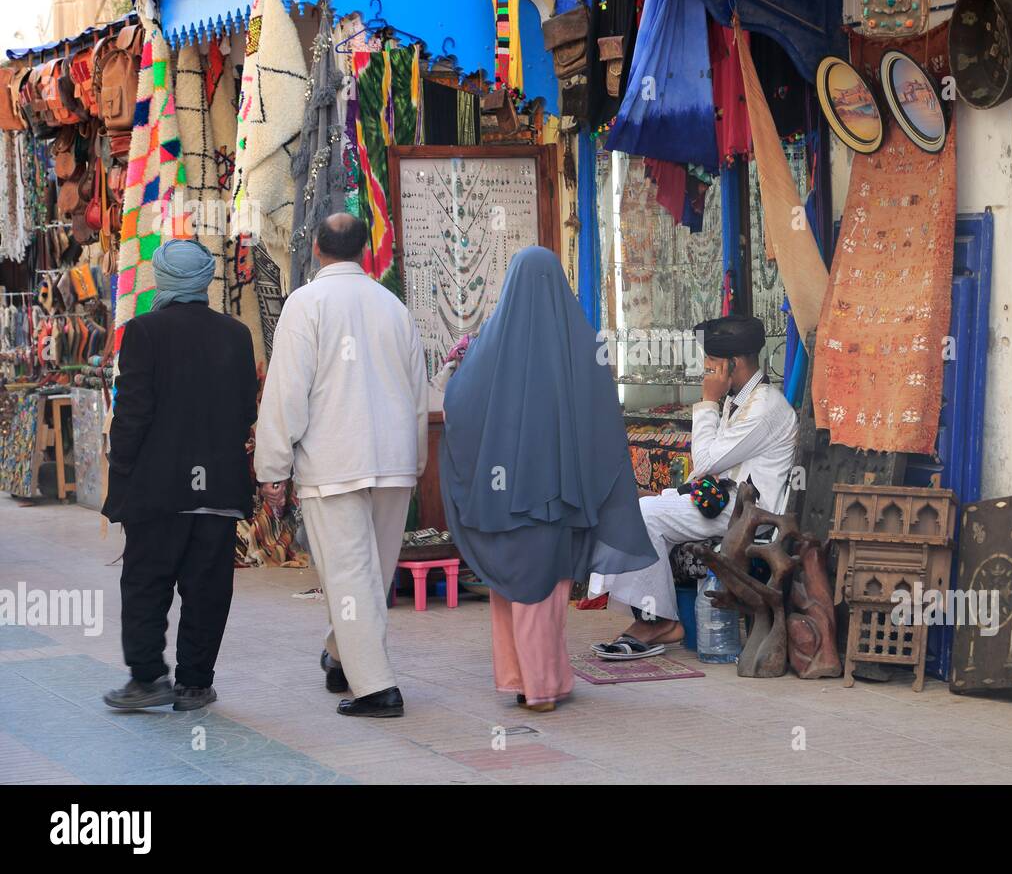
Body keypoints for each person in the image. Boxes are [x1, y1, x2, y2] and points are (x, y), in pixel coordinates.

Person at [439, 246, 657, 712]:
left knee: (510, 588)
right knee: (547, 591)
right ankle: (545, 682)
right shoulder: (582, 347)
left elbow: (457, 405)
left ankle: (522, 681)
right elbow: (606, 424)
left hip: (500, 502)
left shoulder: (490, 349)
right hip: (560, 501)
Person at [254, 213, 428, 718]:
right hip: (392, 460)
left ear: (315, 248)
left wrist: (273, 469)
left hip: (334, 463)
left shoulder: (305, 305)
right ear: (363, 251)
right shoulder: (393, 306)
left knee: (351, 574)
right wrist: (414, 460)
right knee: (368, 572)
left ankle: (376, 687)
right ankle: (339, 655)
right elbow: (418, 392)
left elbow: (287, 394)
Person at [102, 239, 258, 712]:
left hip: (158, 488)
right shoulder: (236, 334)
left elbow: (132, 415)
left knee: (147, 582)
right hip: (218, 486)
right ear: (206, 280)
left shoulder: (143, 333)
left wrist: (121, 471)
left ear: (163, 279)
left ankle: (148, 677)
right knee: (207, 587)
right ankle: (194, 684)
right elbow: (244, 409)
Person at [591, 315, 798, 659]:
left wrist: (705, 401)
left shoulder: (764, 407)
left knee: (644, 515)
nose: (706, 372)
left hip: (752, 519)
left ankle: (658, 622)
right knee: (640, 507)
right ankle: (651, 616)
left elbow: (704, 462)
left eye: (711, 365)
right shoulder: (742, 400)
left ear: (731, 365)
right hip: (731, 506)